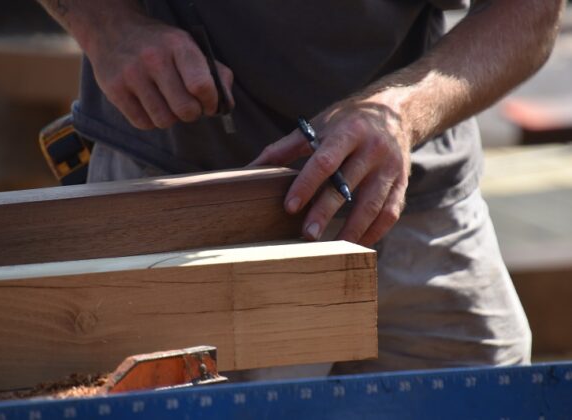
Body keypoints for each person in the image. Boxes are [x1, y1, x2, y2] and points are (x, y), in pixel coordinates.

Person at [37, 0, 564, 374]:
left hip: (413, 192)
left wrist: (402, 112)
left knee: (496, 392)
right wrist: (108, 24)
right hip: (178, 192)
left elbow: (530, 12)